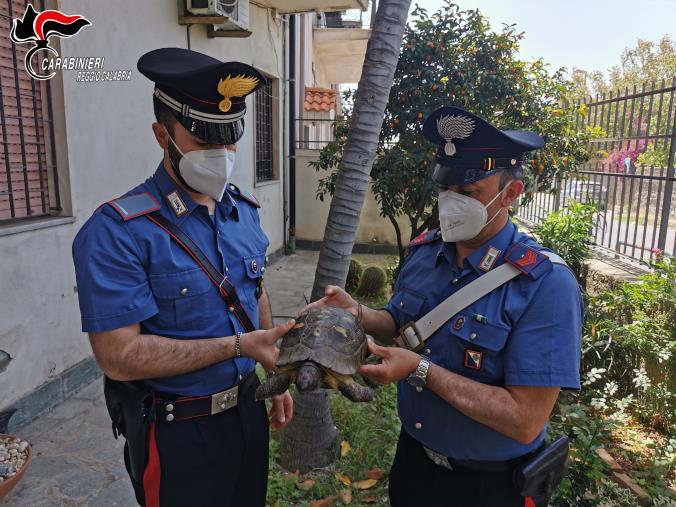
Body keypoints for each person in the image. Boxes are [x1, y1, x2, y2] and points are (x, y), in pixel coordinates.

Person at [305, 106, 583, 507]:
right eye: (445, 189)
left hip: (489, 486)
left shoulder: (545, 284)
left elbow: (525, 421)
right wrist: (360, 313)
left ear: (511, 193)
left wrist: (420, 370)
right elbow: (400, 324)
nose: (451, 203)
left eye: (468, 194)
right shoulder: (425, 253)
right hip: (415, 465)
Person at [72, 48, 294, 507]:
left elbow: (256, 292)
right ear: (161, 135)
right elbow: (120, 356)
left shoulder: (243, 212)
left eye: (230, 138)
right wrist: (239, 347)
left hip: (247, 414)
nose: (223, 153)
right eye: (205, 140)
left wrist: (271, 370)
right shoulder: (118, 232)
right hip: (177, 436)